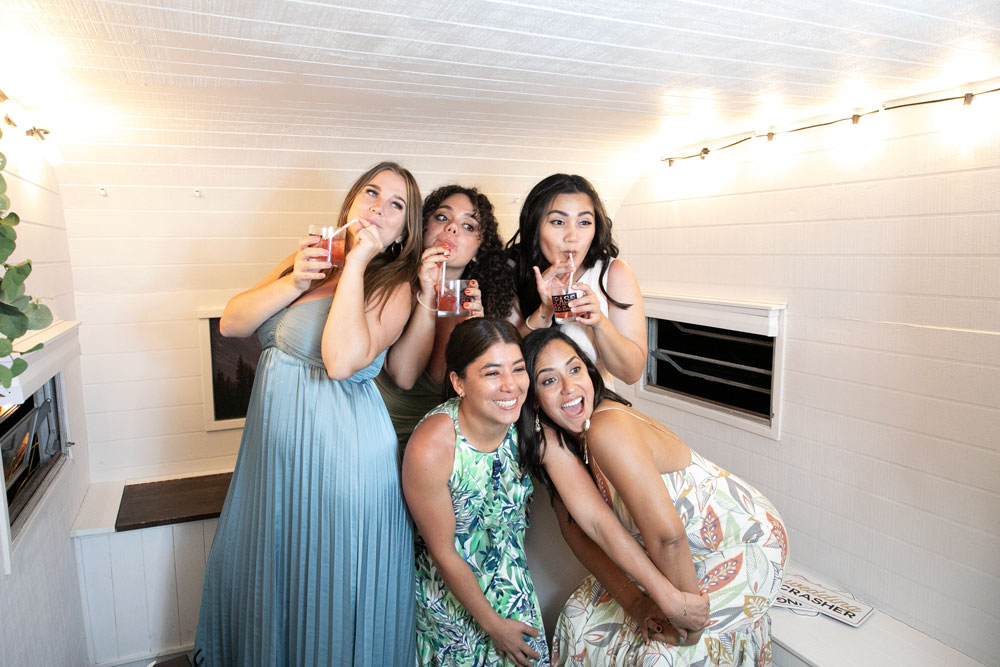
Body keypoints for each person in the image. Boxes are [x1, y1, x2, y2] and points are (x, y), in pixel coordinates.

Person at [193, 161, 423, 666]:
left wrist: (359, 264)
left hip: (343, 456)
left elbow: (341, 360)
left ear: (405, 230)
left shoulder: (396, 285)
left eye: (396, 205)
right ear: (351, 203)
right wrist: (295, 279)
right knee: (272, 569)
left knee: (328, 581)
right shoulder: (311, 258)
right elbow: (232, 323)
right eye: (371, 193)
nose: (378, 208)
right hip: (274, 456)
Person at [403, 319, 711, 667]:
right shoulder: (432, 446)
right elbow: (444, 553)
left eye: (518, 370)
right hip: (451, 596)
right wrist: (493, 625)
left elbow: (594, 519)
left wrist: (666, 598)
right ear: (459, 382)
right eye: (492, 373)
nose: (509, 386)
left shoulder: (531, 429)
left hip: (511, 582)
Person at [519, 327, 788, 666]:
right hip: (681, 548)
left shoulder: (606, 430)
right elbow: (581, 531)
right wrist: (636, 603)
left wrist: (685, 618)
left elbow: (669, 538)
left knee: (665, 655)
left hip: (743, 543)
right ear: (534, 398)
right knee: (578, 614)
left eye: (574, 369)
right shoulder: (560, 444)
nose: (570, 388)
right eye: (549, 380)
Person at [376, 184, 515, 445]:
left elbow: (488, 397)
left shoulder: (473, 304)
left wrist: (478, 332)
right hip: (381, 438)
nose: (452, 228)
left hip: (442, 445)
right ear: (423, 227)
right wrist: (427, 294)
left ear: (478, 251)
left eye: (468, 226)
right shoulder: (395, 285)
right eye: (443, 217)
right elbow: (403, 377)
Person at [507, 174, 646, 386]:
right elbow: (503, 362)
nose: (572, 236)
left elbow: (631, 373)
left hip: (593, 406)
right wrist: (544, 311)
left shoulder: (614, 273)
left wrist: (599, 321)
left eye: (584, 222)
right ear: (535, 226)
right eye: (558, 222)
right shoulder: (514, 270)